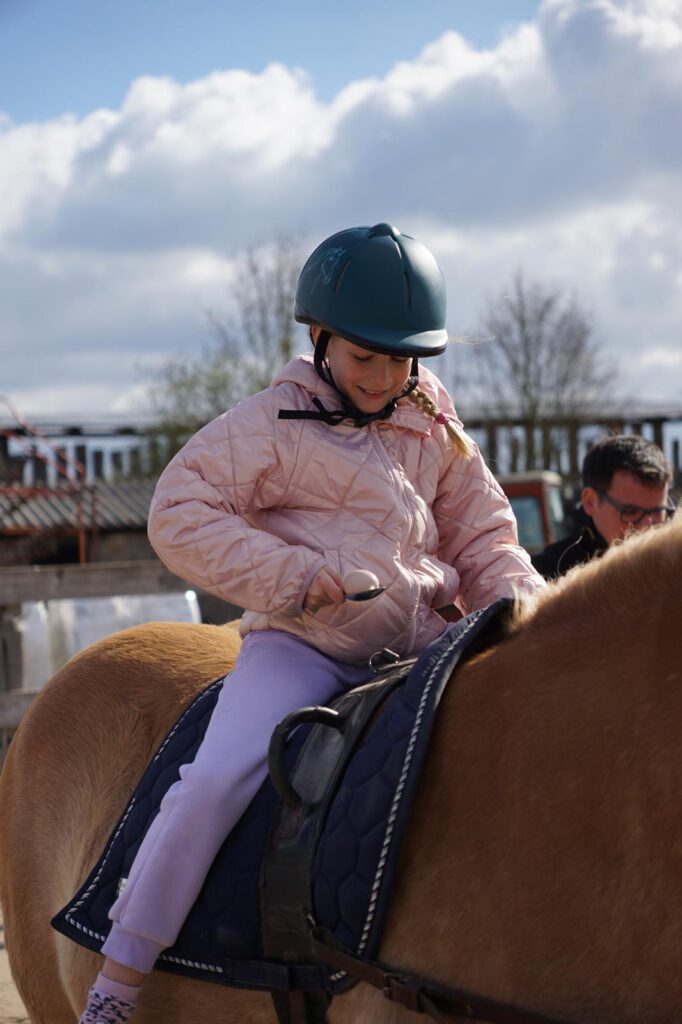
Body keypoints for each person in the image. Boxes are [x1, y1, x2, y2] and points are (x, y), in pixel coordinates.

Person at [79, 222, 545, 1023]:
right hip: (306, 647)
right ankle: (117, 983)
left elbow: (483, 532)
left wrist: (522, 610)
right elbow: (178, 512)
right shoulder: (270, 423)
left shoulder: (433, 419)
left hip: (422, 647)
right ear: (320, 338)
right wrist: (296, 578)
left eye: (402, 360)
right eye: (366, 357)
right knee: (213, 783)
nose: (385, 376)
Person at [532, 433, 674, 580]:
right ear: (590, 502)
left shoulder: (675, 563)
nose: (647, 527)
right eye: (630, 511)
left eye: (658, 511)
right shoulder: (541, 576)